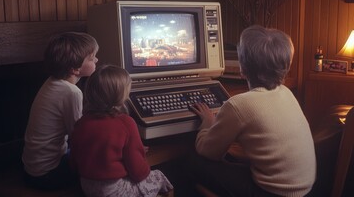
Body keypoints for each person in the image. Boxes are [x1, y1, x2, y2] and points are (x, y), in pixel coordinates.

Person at [189, 25, 316, 197]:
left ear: (242, 69)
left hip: (272, 193)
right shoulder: (286, 93)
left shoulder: (238, 105)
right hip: (306, 190)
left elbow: (208, 152)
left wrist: (207, 124)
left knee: (193, 161)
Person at [69, 65, 173, 197]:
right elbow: (138, 172)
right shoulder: (126, 123)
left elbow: (75, 159)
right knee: (159, 176)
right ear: (121, 95)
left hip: (87, 186)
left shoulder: (81, 122)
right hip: (114, 191)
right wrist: (141, 157)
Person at [22, 32, 99, 190]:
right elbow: (78, 135)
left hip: (32, 169)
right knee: (103, 164)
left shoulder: (52, 81)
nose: (96, 60)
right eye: (92, 58)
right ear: (74, 69)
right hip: (48, 174)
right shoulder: (71, 92)